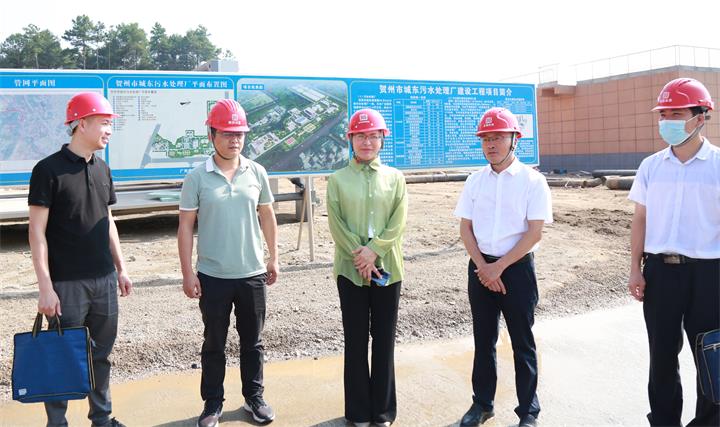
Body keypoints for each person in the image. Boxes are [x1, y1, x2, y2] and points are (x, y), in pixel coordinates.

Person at [28, 92, 132, 427]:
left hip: (104, 280)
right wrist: (45, 287)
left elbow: (108, 220)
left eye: (110, 124)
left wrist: (121, 268)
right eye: (104, 123)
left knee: (100, 356)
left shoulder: (103, 169)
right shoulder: (48, 170)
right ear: (81, 124)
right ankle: (57, 423)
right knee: (62, 356)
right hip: (66, 285)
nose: (109, 130)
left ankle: (102, 418)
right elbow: (36, 233)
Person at [178, 98, 278, 427]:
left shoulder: (257, 172)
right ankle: (212, 404)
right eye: (227, 133)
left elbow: (267, 215)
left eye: (239, 133)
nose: (234, 139)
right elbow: (185, 227)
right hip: (213, 276)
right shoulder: (197, 177)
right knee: (214, 344)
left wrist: (274, 257)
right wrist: (188, 273)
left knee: (253, 342)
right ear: (212, 135)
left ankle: (254, 398)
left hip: (252, 273)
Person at [627, 77, 720, 427]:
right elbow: (640, 220)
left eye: (676, 113)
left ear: (701, 116)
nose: (667, 121)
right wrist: (635, 269)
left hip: (710, 272)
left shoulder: (717, 165)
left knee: (710, 353)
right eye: (663, 114)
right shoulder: (651, 166)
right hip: (661, 272)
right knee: (662, 355)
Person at [454, 107, 552, 427]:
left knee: (522, 342)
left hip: (517, 270)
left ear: (514, 139)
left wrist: (499, 268)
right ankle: (482, 404)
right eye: (486, 138)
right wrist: (484, 267)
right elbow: (466, 228)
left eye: (498, 137)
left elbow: (534, 232)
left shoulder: (532, 181)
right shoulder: (475, 181)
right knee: (484, 341)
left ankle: (528, 412)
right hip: (480, 268)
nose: (491, 144)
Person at [327, 108, 408, 427]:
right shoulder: (337, 180)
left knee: (384, 341)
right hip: (351, 272)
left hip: (388, 270)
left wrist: (374, 251)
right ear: (350, 139)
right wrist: (360, 256)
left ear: (382, 139)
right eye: (360, 136)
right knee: (356, 340)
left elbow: (398, 221)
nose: (367, 142)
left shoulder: (395, 178)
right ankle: (358, 412)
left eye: (373, 136)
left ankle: (383, 412)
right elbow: (337, 225)